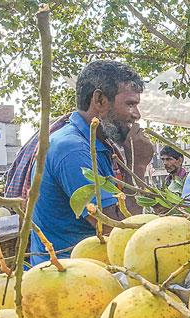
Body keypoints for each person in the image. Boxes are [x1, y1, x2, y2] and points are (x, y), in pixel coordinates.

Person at [29, 60, 145, 265]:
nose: (136, 114)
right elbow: (116, 230)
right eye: (130, 104)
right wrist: (139, 166)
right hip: (65, 275)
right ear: (99, 100)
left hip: (90, 266)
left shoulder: (98, 144)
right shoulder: (72, 149)